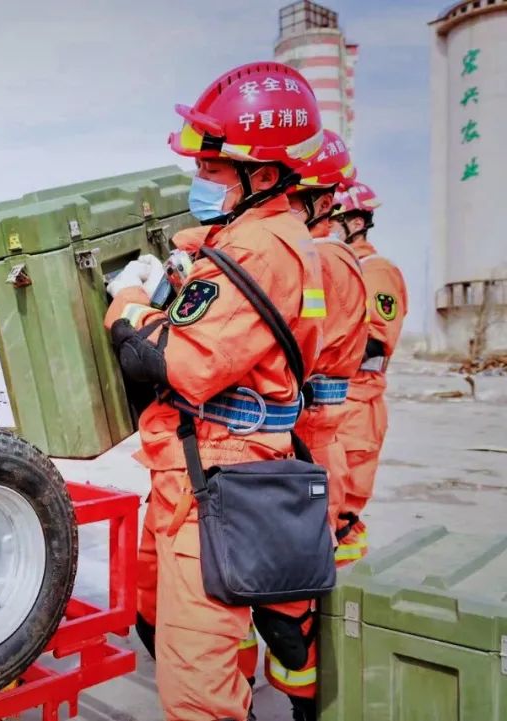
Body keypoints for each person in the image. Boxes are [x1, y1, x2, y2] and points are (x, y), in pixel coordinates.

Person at [105, 61, 325, 721]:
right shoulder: (263, 235)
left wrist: (129, 301)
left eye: (213, 166)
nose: (200, 176)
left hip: (217, 479)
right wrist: (182, 257)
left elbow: (176, 360)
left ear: (264, 174)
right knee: (188, 637)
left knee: (199, 688)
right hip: (215, 466)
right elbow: (213, 254)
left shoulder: (260, 250)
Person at [255, 129, 369, 719]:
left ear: (323, 202)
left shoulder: (324, 260)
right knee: (287, 594)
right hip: (311, 437)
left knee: (293, 604)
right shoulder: (316, 255)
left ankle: (311, 706)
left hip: (312, 440)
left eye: (292, 197)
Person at [330, 182, 406, 565]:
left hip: (357, 405)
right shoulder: (336, 266)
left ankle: (342, 590)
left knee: (340, 516)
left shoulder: (375, 272)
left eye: (332, 218)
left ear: (356, 222)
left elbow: (375, 341)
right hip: (333, 403)